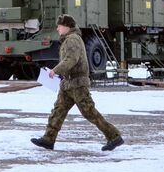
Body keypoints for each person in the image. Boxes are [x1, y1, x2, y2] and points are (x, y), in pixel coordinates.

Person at [31, 14, 124, 151]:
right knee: (58, 111)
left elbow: (71, 60)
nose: (57, 28)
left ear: (67, 26)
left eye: (59, 26)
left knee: (89, 112)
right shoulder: (68, 39)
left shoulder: (72, 39)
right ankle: (48, 139)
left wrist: (54, 71)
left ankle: (114, 136)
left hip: (77, 84)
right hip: (68, 84)